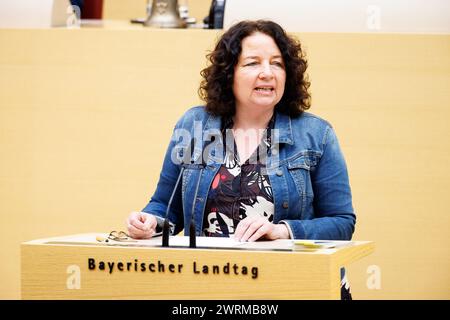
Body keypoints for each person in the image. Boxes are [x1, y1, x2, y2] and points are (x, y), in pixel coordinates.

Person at [126, 20, 356, 299]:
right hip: (210, 286)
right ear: (229, 73)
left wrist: (283, 231)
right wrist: (149, 222)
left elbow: (342, 223)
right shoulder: (194, 125)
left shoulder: (316, 134)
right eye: (252, 63)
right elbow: (166, 208)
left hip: (293, 286)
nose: (267, 73)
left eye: (277, 64)